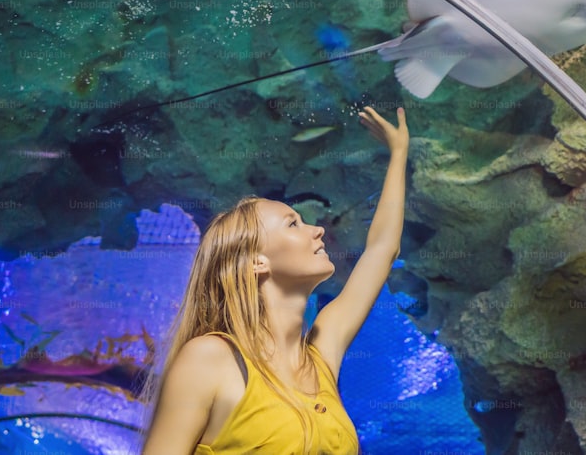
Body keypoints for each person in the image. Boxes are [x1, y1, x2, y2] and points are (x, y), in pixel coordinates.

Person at [140, 105, 409, 455]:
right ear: (256, 261)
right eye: (293, 223)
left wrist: (399, 152)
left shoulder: (321, 355)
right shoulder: (210, 359)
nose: (318, 230)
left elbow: (382, 250)